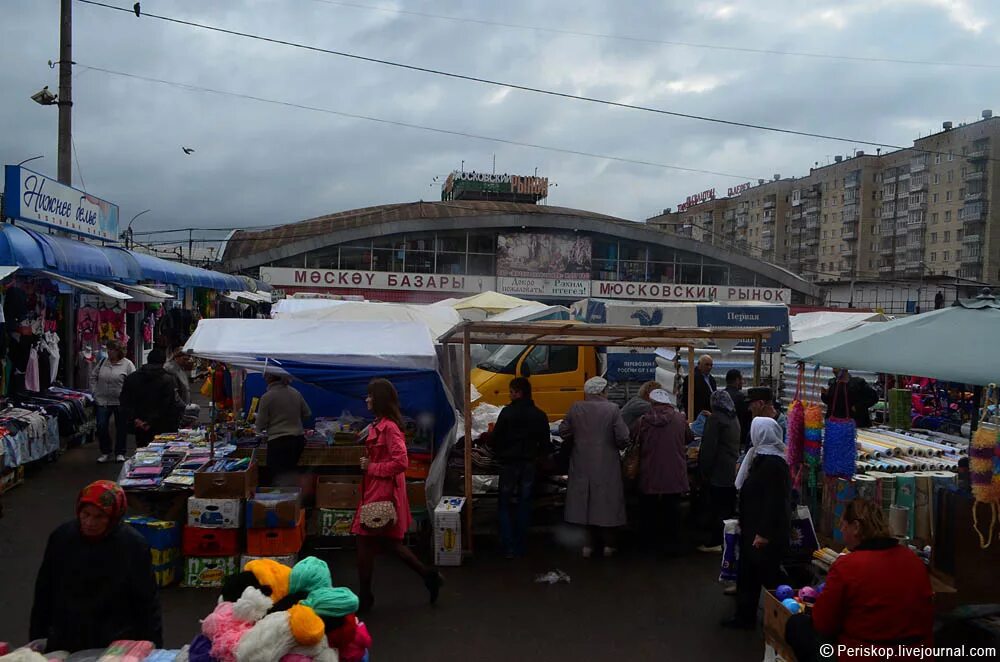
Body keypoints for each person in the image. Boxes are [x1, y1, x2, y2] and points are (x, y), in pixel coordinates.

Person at [785, 499, 934, 662]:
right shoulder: (913, 560)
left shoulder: (848, 566)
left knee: (797, 625)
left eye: (844, 525)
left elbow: (823, 624)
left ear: (856, 527)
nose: (841, 530)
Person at [30, 480, 163, 652]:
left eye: (99, 517)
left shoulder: (133, 545)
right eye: (85, 514)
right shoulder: (62, 537)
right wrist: (37, 638)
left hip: (115, 642)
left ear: (114, 517)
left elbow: (146, 602)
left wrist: (153, 647)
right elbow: (44, 591)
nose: (90, 522)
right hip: (66, 637)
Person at [352, 378, 443, 613]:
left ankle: (365, 597)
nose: (367, 399)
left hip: (382, 493)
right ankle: (428, 576)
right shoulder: (379, 424)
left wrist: (371, 467)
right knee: (389, 544)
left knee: (365, 540)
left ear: (379, 399)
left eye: (370, 395)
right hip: (376, 491)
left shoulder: (389, 428)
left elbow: (401, 462)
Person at [722, 417, 791, 629]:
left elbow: (774, 503)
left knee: (767, 576)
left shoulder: (773, 464)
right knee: (749, 576)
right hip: (753, 528)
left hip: (764, 533)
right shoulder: (761, 457)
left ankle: (786, 618)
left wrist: (763, 533)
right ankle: (745, 616)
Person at [559, 376, 630, 558]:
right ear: (603, 391)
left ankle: (587, 546)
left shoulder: (576, 408)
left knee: (585, 503)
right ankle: (608, 545)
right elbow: (623, 437)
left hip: (581, 461)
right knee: (607, 502)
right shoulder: (612, 409)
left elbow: (563, 431)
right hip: (607, 463)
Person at [492, 377, 550, 558]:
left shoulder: (507, 413)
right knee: (524, 504)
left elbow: (496, 439)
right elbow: (546, 444)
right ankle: (520, 545)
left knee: (504, 504)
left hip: (509, 463)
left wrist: (500, 452)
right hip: (529, 464)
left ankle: (508, 545)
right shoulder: (540, 415)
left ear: (518, 392)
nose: (510, 395)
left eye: (511, 391)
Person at [632, 389, 693, 555]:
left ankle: (648, 546)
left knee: (648, 511)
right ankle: (672, 546)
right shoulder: (680, 419)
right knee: (672, 510)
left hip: (649, 471)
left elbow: (633, 439)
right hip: (674, 472)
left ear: (651, 403)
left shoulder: (643, 421)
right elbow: (689, 437)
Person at [697, 390, 741, 553]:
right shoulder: (733, 417)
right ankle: (727, 540)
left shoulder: (715, 419)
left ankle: (714, 541)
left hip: (718, 471)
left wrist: (703, 471)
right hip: (730, 470)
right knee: (727, 508)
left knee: (715, 508)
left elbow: (709, 449)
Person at [120, 348, 182, 450]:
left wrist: (136, 420)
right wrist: (150, 421)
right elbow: (166, 404)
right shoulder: (167, 379)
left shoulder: (132, 378)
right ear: (163, 362)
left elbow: (125, 401)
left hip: (139, 426)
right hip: (161, 425)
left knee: (142, 453)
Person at [255, 373, 312, 486]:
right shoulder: (295, 393)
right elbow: (307, 414)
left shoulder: (267, 397)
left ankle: (281, 501)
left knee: (278, 476)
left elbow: (261, 424)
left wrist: (260, 425)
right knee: (290, 472)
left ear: (269, 378)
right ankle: (292, 500)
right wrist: (293, 418)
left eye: (265, 375)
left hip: (278, 442)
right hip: (298, 440)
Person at [90, 340, 136, 464]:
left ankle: (120, 452)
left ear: (119, 351)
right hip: (103, 400)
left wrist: (129, 397)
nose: (109, 352)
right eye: (108, 350)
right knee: (101, 426)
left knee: (121, 427)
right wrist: (94, 391)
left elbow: (133, 382)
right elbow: (93, 376)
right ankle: (106, 451)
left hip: (120, 402)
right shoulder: (102, 362)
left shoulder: (127, 364)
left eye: (112, 350)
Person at [724, 369, 751, 449]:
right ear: (737, 380)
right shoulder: (741, 397)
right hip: (737, 437)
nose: (742, 382)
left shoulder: (721, 396)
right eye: (741, 379)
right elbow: (746, 418)